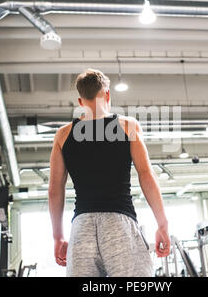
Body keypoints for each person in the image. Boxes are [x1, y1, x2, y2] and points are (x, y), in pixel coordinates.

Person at [48, 69, 171, 277]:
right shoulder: (127, 127)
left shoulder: (63, 135)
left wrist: (58, 237)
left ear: (80, 101)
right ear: (107, 95)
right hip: (119, 225)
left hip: (81, 228)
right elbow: (146, 176)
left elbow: (54, 190)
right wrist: (162, 224)